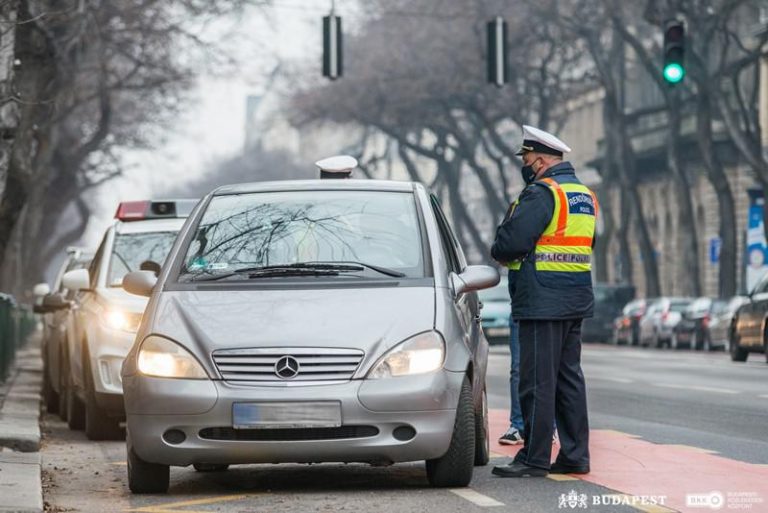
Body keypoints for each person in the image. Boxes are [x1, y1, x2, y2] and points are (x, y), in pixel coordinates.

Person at [490, 125, 597, 478]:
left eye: (526, 158)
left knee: (536, 380)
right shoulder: (583, 194)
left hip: (541, 298)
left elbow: (510, 243)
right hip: (574, 296)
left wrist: (502, 244)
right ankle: (575, 455)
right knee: (569, 379)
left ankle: (533, 458)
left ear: (538, 159)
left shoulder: (541, 192)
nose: (525, 164)